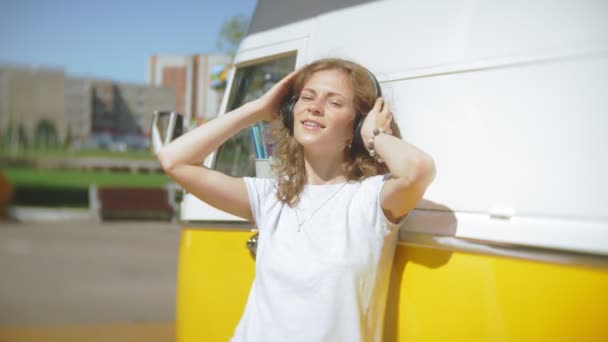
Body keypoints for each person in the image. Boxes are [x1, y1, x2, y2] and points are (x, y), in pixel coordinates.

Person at [158, 58, 436, 342]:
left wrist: (374, 135)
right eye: (306, 97)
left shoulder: (370, 199)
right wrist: (256, 109)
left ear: (357, 124)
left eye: (335, 102)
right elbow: (173, 160)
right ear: (291, 110)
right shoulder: (271, 197)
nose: (314, 107)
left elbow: (418, 170)